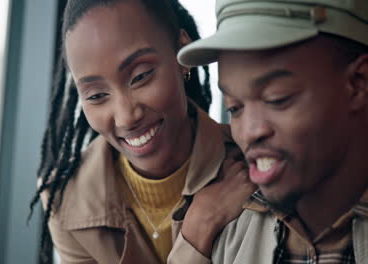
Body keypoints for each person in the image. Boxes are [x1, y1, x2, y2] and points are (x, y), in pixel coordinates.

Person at [29, 0, 254, 263]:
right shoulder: (66, 199)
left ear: (182, 52)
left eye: (141, 76)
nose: (127, 117)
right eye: (97, 95)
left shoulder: (251, 165)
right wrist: (199, 229)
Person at [169, 0, 368, 263]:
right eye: (234, 107)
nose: (249, 132)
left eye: (277, 99)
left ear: (358, 83)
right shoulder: (227, 229)